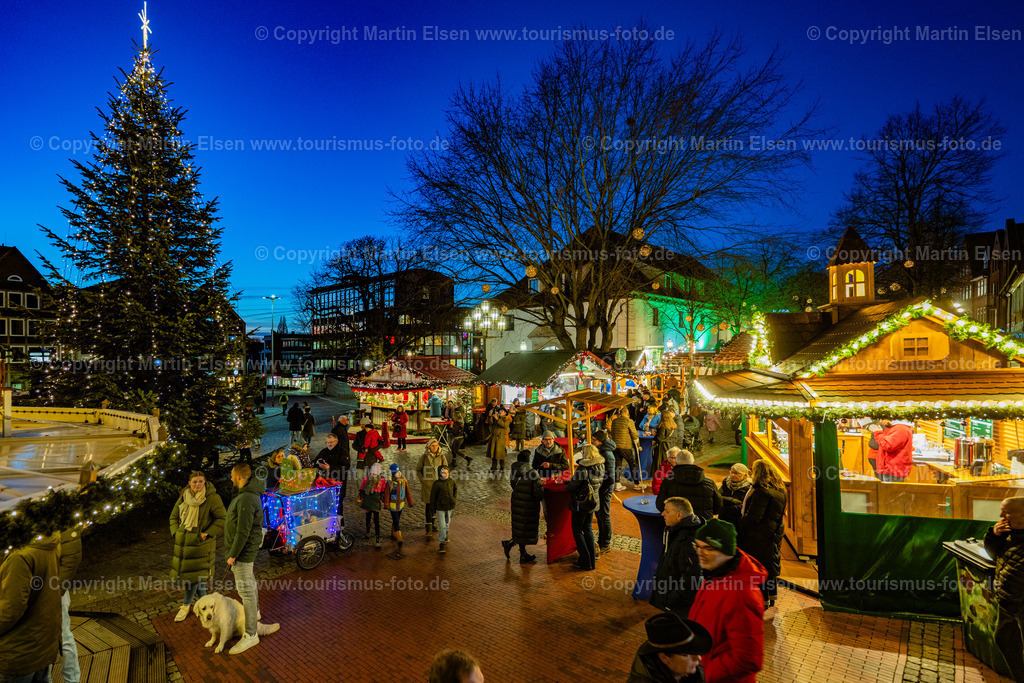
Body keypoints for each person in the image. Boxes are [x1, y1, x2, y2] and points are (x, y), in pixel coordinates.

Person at [689, 519, 766, 683]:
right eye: (698, 546)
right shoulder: (713, 576)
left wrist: (705, 674)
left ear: (726, 551)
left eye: (708, 548)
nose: (700, 553)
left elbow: (748, 659)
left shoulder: (742, 594)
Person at [0, 530, 61, 682]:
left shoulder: (19, 556)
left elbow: (10, 610)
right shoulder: (48, 541)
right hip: (41, 644)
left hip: (19, 652)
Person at [224, 463, 269, 655]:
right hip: (243, 552)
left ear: (240, 477)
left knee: (247, 593)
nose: (231, 478)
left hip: (242, 554)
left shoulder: (247, 498)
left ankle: (251, 635)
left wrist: (233, 554)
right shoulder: (246, 495)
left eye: (233, 476)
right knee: (249, 586)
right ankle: (255, 621)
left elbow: (243, 531)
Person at [170, 470, 227, 622]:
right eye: (194, 481)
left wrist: (206, 534)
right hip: (184, 544)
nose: (197, 484)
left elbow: (222, 519)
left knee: (193, 578)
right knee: (197, 578)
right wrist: (176, 532)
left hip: (202, 546)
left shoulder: (212, 498)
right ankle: (208, 606)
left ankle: (185, 605)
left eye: (200, 481)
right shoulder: (184, 495)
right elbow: (173, 516)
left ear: (205, 481)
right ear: (189, 483)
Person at [737, 460, 788, 607]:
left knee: (757, 566)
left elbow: (754, 516)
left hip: (757, 535)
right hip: (772, 533)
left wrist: (740, 522)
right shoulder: (779, 490)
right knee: (769, 565)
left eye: (753, 470)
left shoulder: (761, 492)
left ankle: (760, 598)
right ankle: (771, 596)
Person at [985, 496, 1024, 681]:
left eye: (1006, 511)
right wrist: (994, 535)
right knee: (1004, 639)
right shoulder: (1009, 534)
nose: (1001, 515)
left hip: (1020, 602)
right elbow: (994, 555)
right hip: (1008, 601)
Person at [649, 497, 703, 615]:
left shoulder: (687, 541)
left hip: (677, 607)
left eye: (667, 511)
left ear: (679, 515)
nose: (662, 514)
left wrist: (671, 598)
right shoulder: (674, 531)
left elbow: (692, 580)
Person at [627, 612, 712, 683]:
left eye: (693, 651)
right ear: (665, 658)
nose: (699, 658)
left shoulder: (692, 669)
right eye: (686, 654)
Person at [565, 444, 604, 571]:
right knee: (588, 530)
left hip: (582, 503)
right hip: (593, 502)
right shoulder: (600, 465)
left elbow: (572, 486)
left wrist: (566, 485)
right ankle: (591, 560)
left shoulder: (583, 468)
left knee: (577, 530)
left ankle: (585, 560)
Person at [655, 449, 722, 522]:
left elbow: (660, 505)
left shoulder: (668, 482)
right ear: (693, 462)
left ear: (676, 463)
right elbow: (718, 506)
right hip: (703, 526)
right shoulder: (709, 483)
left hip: (678, 525)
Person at [502, 450, 544, 564]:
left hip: (517, 501)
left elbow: (513, 484)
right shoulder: (533, 473)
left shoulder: (514, 469)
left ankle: (520, 552)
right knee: (525, 528)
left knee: (520, 528)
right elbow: (539, 494)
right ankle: (516, 549)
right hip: (529, 504)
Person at [57, 528, 82, 683]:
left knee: (64, 637)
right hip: (24, 590)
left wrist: (55, 590)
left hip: (53, 591)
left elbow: (72, 557)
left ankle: (72, 680)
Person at [316, 433, 350, 524]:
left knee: (337, 508)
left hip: (337, 486)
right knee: (325, 507)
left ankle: (339, 529)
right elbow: (315, 461)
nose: (329, 444)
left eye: (331, 442)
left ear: (336, 441)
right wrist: (318, 465)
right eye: (327, 442)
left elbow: (346, 467)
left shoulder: (343, 452)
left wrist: (330, 468)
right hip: (325, 486)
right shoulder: (324, 451)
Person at [593, 430, 617, 556]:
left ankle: (605, 543)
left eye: (594, 439)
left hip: (605, 489)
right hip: (602, 488)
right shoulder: (602, 450)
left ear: (600, 441)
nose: (592, 441)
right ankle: (601, 540)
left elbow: (610, 477)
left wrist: (603, 490)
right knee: (600, 515)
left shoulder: (607, 453)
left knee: (604, 515)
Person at [418, 438, 449, 538]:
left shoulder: (442, 457)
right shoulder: (424, 457)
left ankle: (433, 524)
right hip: (428, 487)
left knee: (435, 507)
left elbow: (446, 469)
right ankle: (429, 529)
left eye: (436, 445)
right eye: (432, 446)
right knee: (429, 507)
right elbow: (418, 470)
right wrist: (423, 480)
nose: (435, 447)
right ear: (429, 446)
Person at [385, 464, 415, 554]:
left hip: (401, 505)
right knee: (396, 521)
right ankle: (399, 539)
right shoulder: (390, 483)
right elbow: (387, 494)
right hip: (393, 506)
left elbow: (407, 493)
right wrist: (386, 504)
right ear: (394, 474)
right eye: (398, 472)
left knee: (396, 520)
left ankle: (393, 533)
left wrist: (410, 502)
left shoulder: (404, 482)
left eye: (400, 472)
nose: (400, 473)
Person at [610, 406, 641, 489]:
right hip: (625, 446)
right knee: (632, 464)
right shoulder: (629, 421)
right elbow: (634, 434)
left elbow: (612, 432)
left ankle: (617, 484)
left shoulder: (614, 421)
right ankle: (636, 484)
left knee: (617, 465)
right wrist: (638, 445)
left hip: (615, 446)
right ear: (627, 413)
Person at [431, 465, 458, 554]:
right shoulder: (437, 484)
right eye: (443, 472)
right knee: (442, 525)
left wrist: (454, 499)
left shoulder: (451, 482)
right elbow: (433, 497)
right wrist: (433, 509)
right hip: (440, 507)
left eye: (447, 472)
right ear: (440, 473)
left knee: (447, 523)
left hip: (449, 506)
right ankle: (442, 542)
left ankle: (445, 534)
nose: (445, 474)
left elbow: (455, 489)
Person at [359, 463, 386, 549]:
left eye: (374, 474)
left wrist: (381, 500)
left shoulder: (381, 481)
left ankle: (377, 538)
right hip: (368, 501)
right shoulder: (366, 479)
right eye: (371, 473)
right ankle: (368, 531)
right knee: (368, 517)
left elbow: (383, 491)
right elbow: (362, 489)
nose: (372, 475)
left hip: (375, 502)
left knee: (376, 520)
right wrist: (363, 499)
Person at [486, 407, 511, 472]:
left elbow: (505, 425)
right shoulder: (496, 419)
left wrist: (497, 419)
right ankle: (494, 466)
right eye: (500, 411)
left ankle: (502, 467)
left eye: (502, 411)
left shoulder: (506, 420)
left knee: (500, 453)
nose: (500, 412)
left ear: (505, 413)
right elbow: (490, 422)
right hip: (494, 438)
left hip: (500, 438)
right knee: (493, 452)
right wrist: (489, 415)